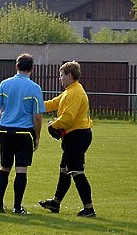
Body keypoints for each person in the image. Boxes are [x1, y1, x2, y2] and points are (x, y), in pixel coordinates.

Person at [39, 61, 96, 217]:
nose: (60, 78)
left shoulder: (75, 92)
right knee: (64, 170)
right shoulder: (70, 91)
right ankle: (55, 203)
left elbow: (68, 117)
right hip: (74, 135)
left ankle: (89, 209)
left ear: (69, 75)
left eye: (61, 75)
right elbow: (54, 103)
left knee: (76, 172)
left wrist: (53, 125)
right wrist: (34, 105)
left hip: (78, 135)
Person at [0, 53, 45, 214]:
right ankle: (17, 207)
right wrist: (37, 136)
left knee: (4, 167)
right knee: (21, 169)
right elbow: (37, 116)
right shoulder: (34, 88)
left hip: (6, 130)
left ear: (16, 66)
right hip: (24, 132)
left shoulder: (5, 84)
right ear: (32, 69)